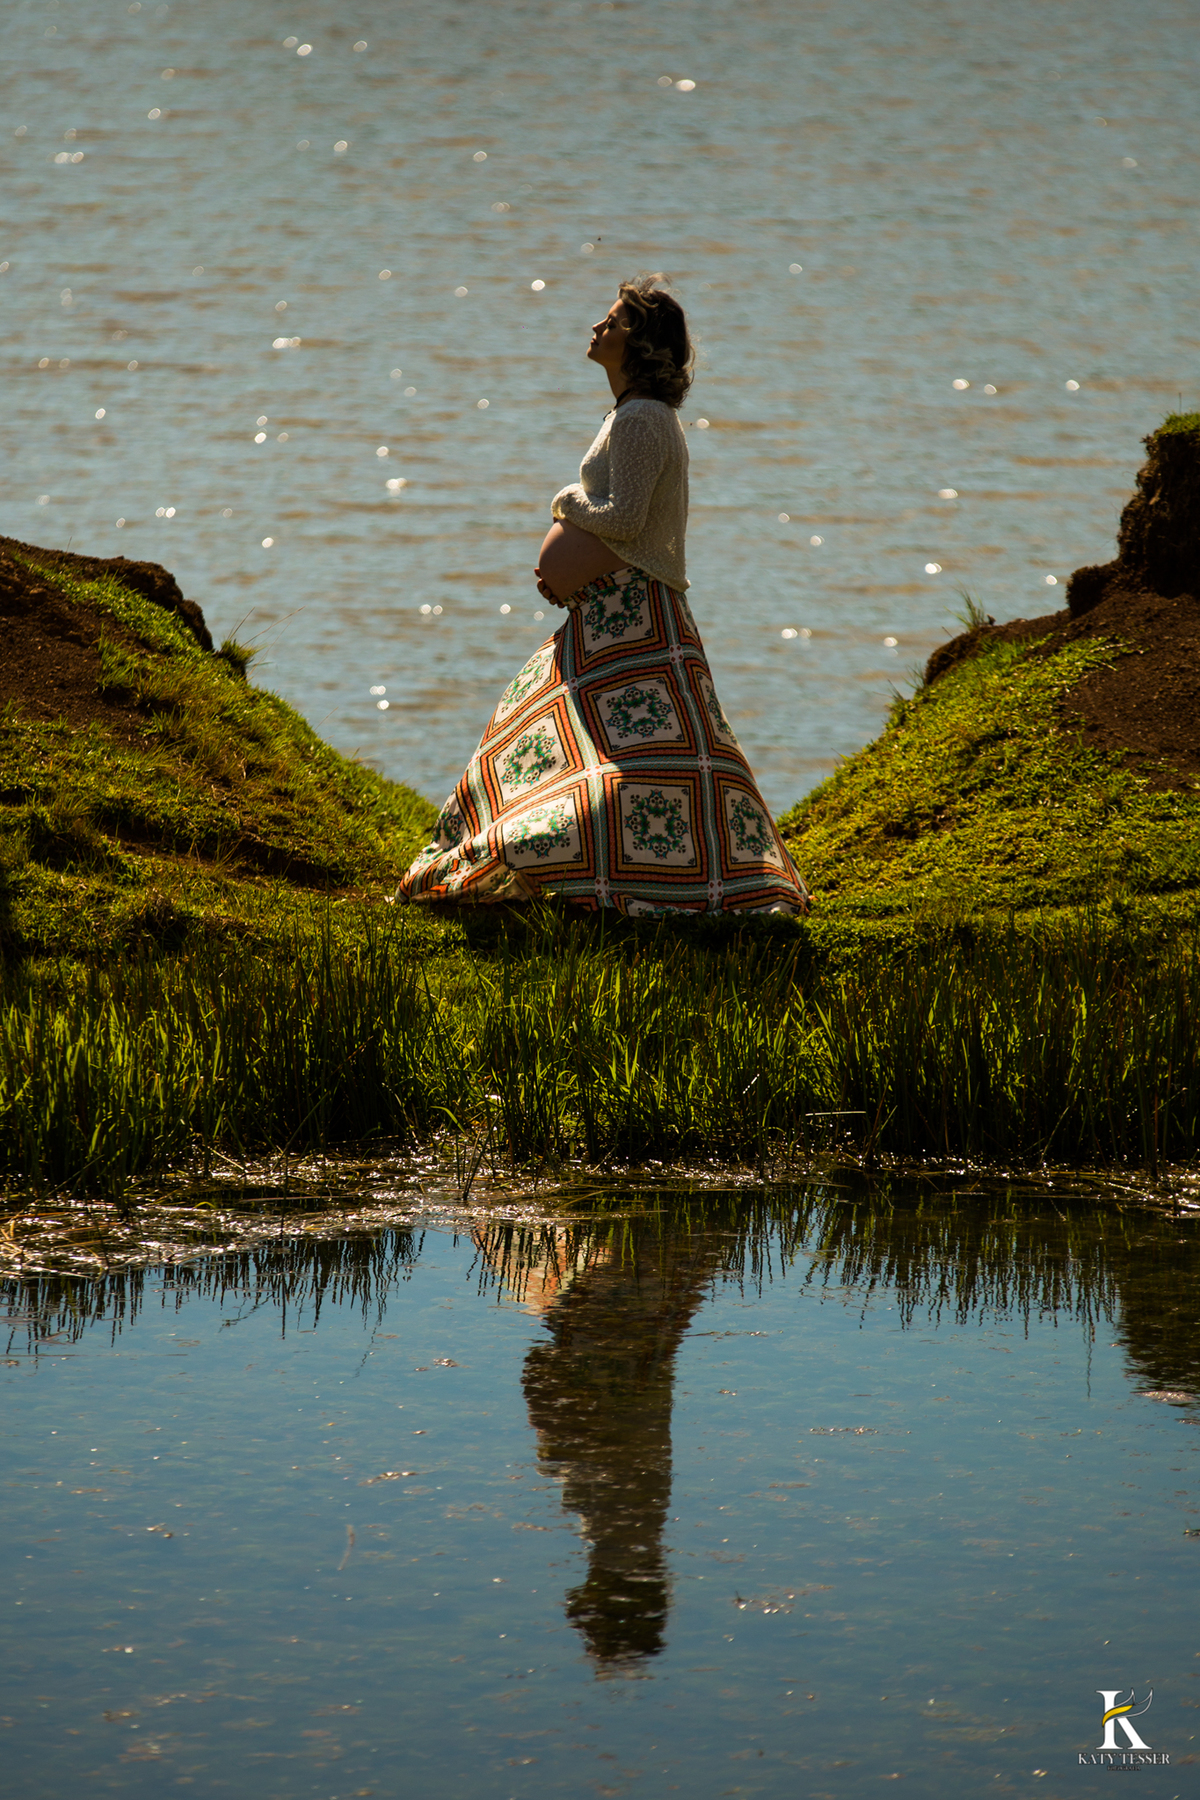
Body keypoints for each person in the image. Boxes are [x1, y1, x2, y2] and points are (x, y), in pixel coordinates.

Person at [394, 277, 810, 916]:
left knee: (625, 760)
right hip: (610, 613)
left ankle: (618, 877)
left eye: (613, 321)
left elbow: (624, 519)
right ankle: (602, 873)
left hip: (633, 618)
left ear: (639, 344)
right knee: (607, 753)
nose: (597, 327)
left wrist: (564, 503)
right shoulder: (634, 414)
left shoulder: (642, 418)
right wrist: (569, 574)